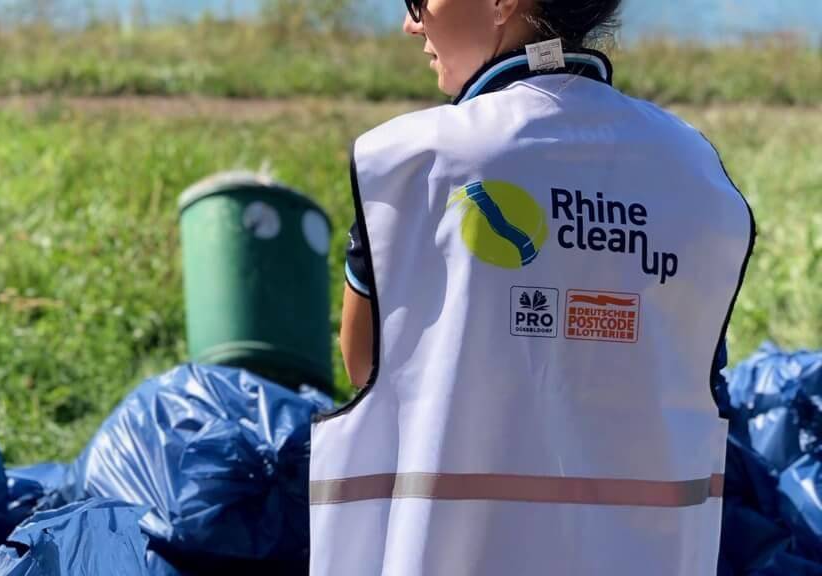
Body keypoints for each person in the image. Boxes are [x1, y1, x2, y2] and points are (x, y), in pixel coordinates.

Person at [310, 0, 756, 574]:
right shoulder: (698, 171)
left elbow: (363, 361)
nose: (411, 23)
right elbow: (691, 377)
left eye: (419, 1)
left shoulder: (410, 163)